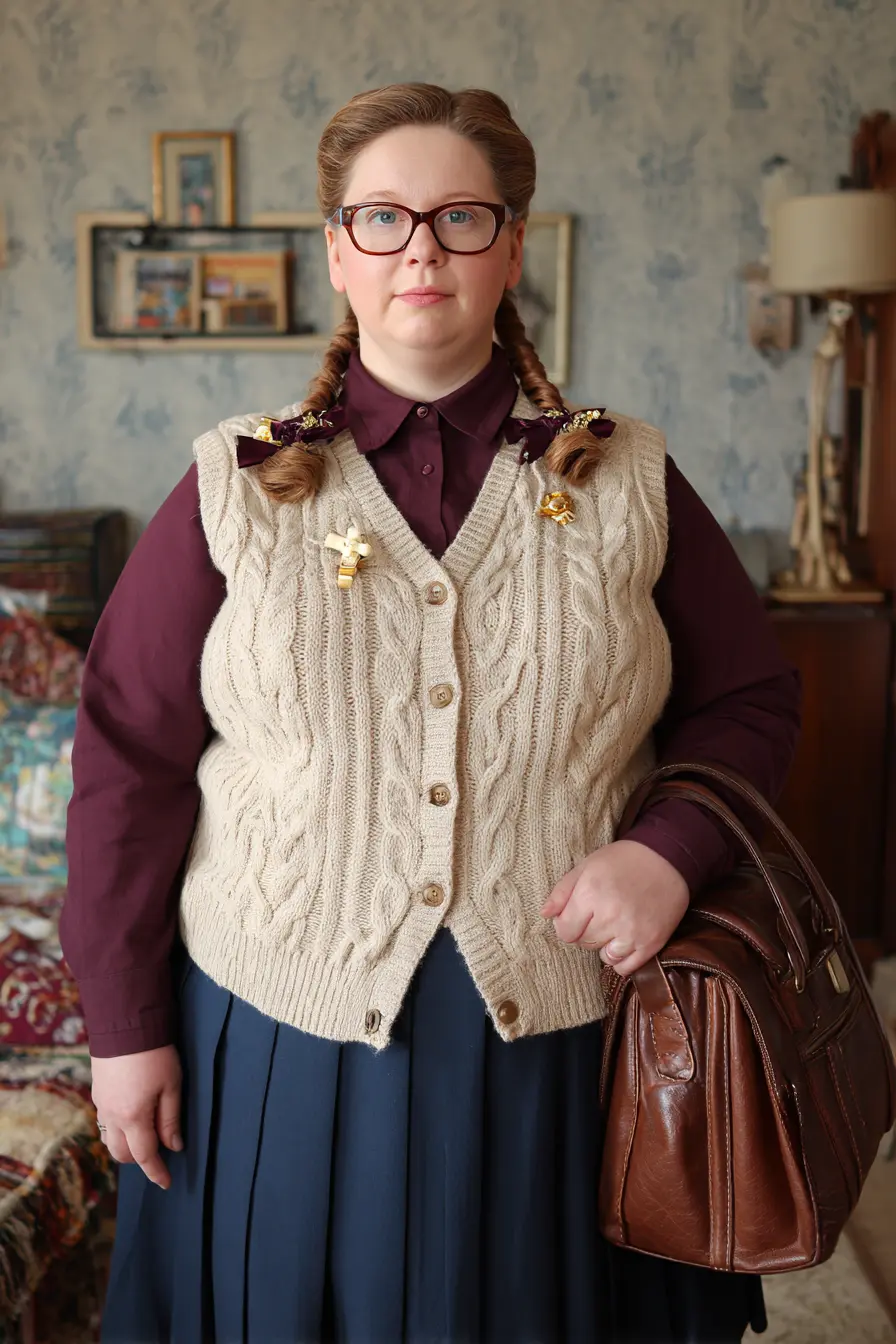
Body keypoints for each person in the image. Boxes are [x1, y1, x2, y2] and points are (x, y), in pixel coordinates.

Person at [62, 83, 799, 1343]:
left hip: (564, 1038)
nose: (421, 249)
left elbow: (749, 700)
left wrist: (661, 854)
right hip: (274, 1025)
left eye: (459, 218)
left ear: (509, 248)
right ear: (337, 251)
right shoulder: (233, 486)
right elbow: (127, 761)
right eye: (384, 218)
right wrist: (125, 1028)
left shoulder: (626, 477)